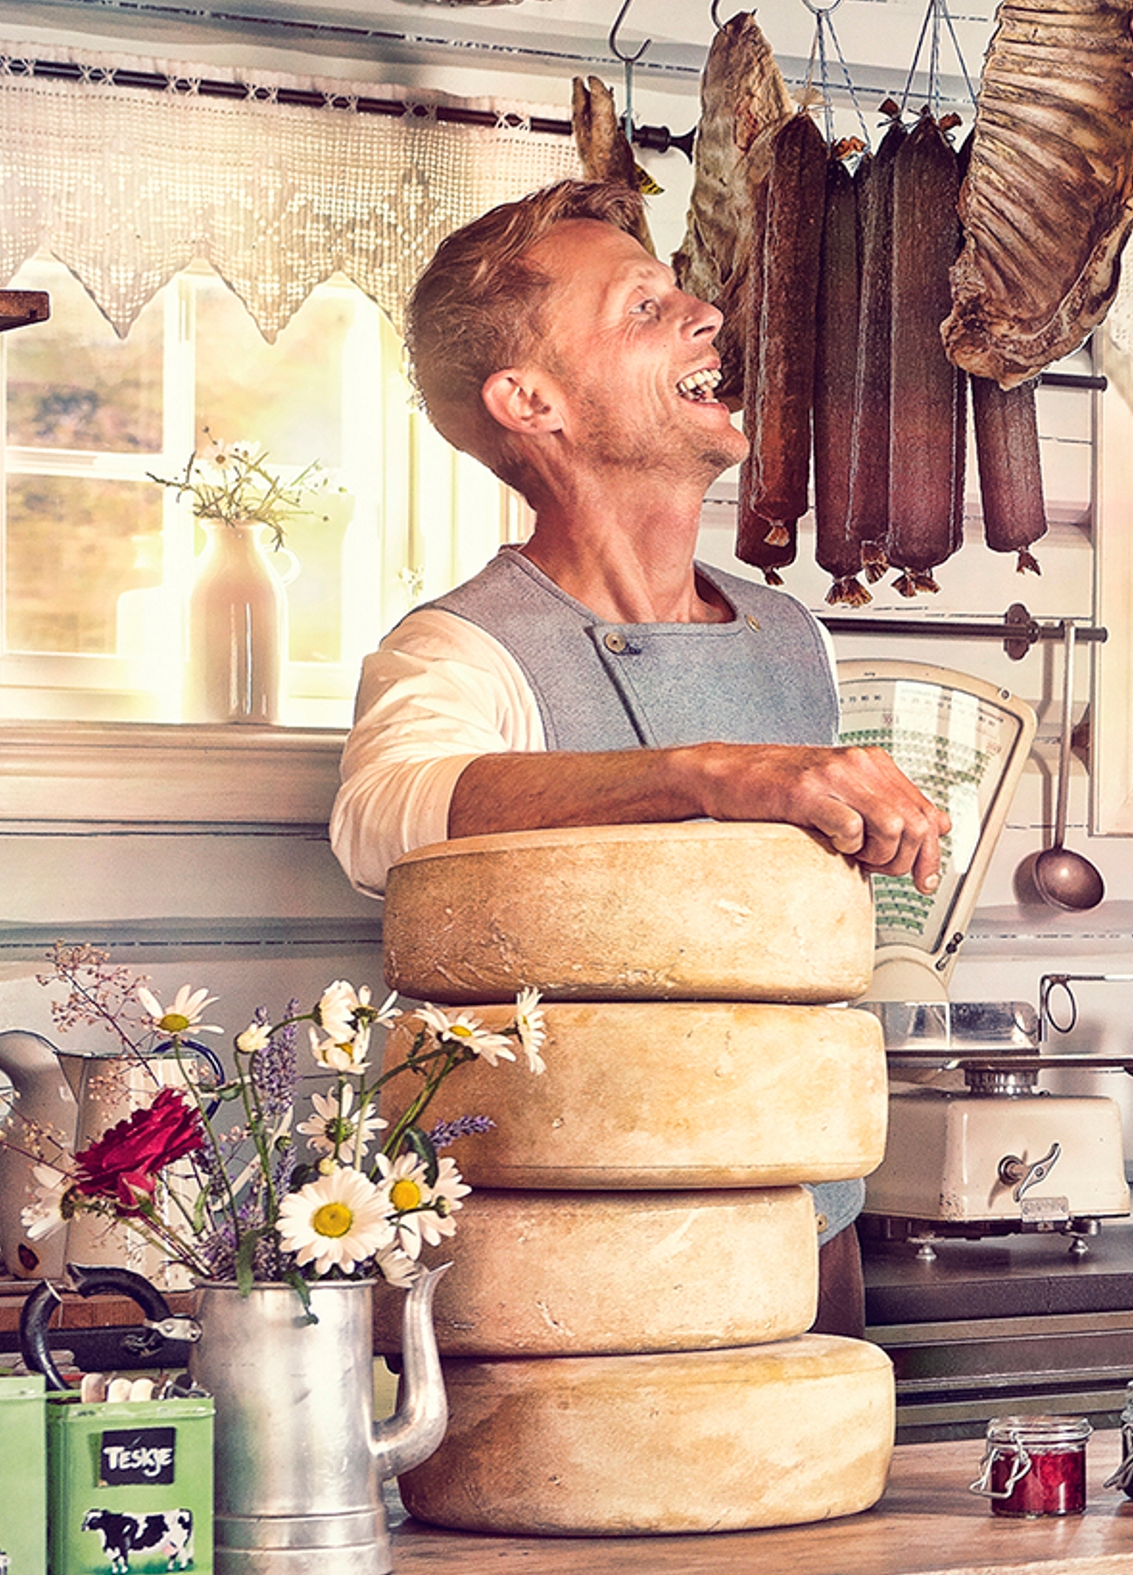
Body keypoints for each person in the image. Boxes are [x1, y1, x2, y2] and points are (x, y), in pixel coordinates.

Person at [331, 178, 946, 1335]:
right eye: (644, 308)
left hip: (805, 1223)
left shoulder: (789, 633)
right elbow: (383, 818)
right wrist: (700, 776)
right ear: (531, 399)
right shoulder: (461, 647)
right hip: (581, 1261)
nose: (706, 314)